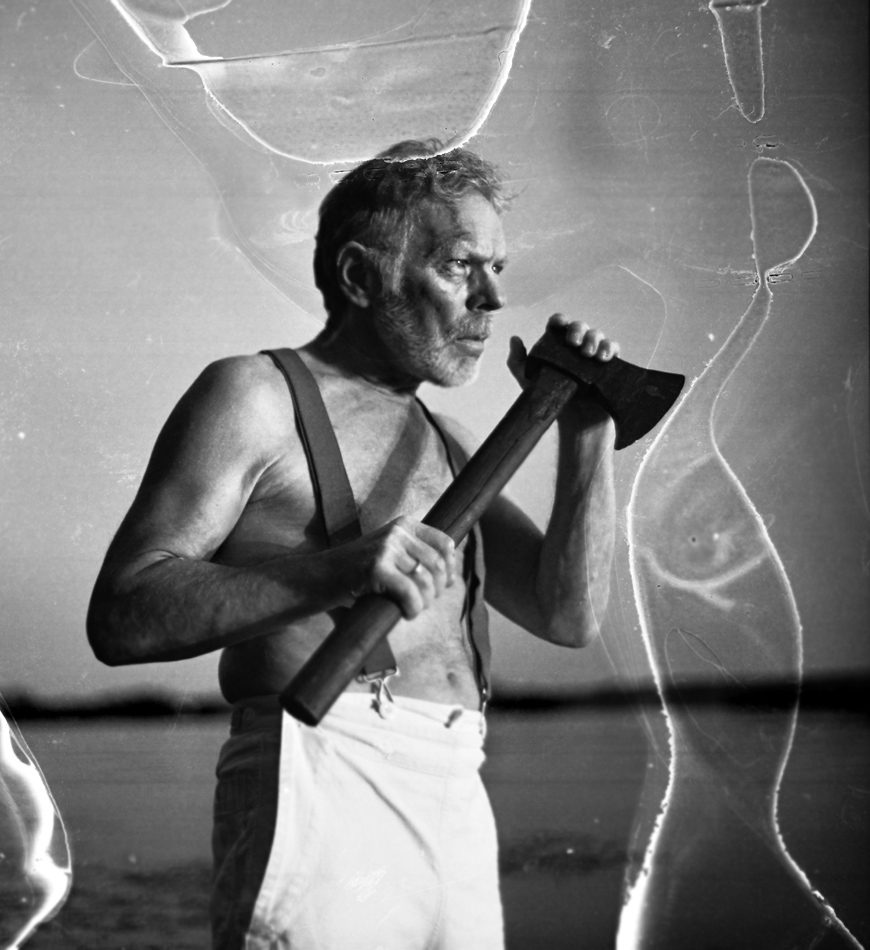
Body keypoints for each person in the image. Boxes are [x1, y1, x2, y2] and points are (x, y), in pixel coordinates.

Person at [86, 138, 619, 949]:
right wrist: (336, 571)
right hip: (325, 765)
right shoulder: (254, 396)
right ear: (361, 277)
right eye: (460, 266)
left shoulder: (453, 445)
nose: (493, 299)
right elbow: (122, 615)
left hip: (459, 784)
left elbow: (566, 616)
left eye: (498, 269)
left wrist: (587, 434)